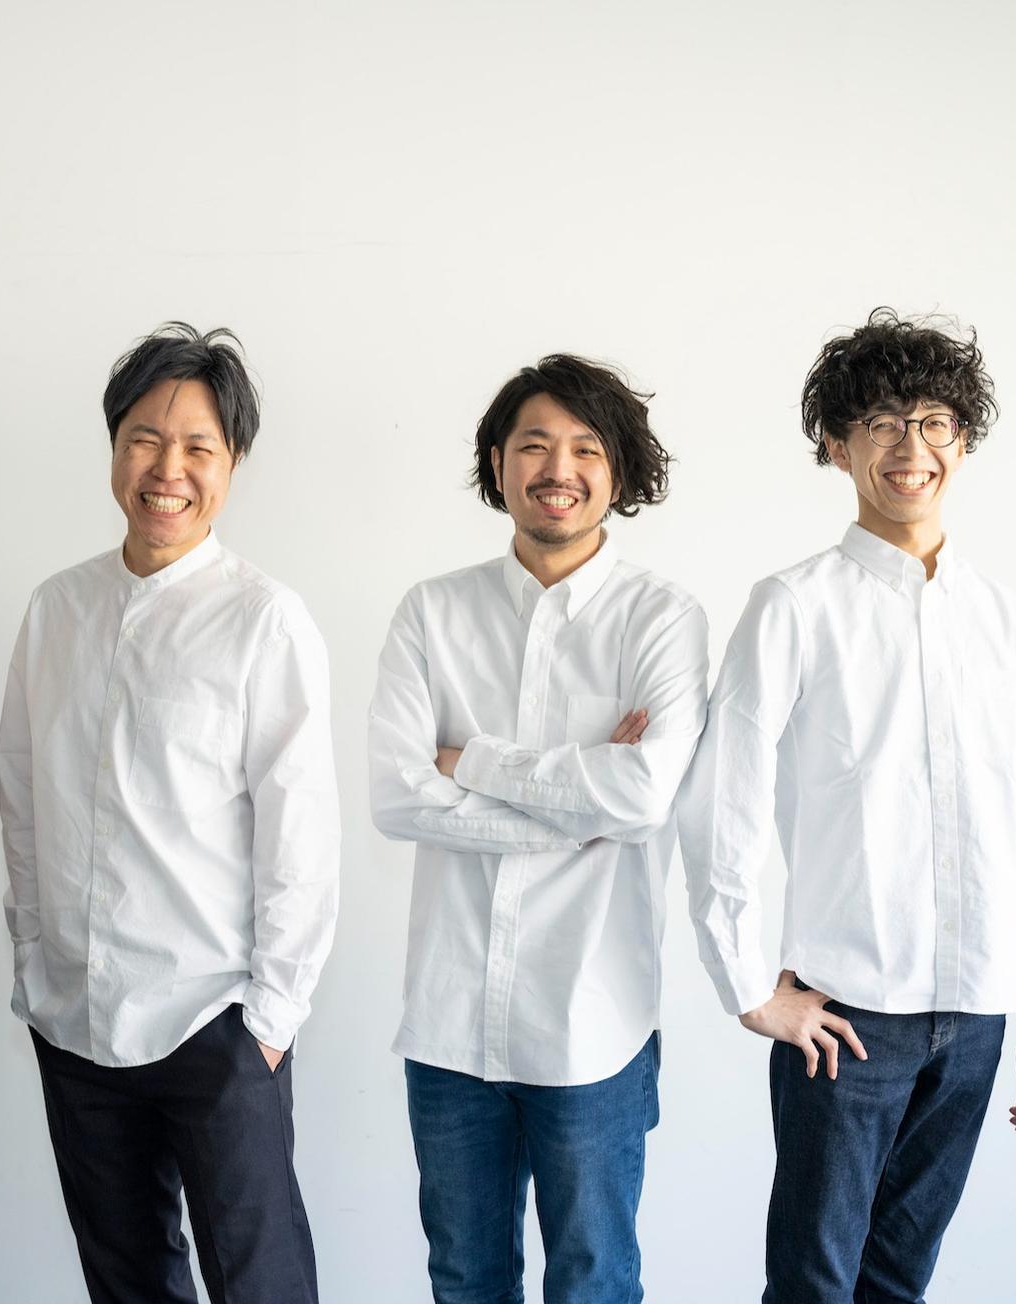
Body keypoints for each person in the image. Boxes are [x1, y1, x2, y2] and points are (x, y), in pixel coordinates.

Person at [678, 309, 1016, 1302]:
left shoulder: (1009, 625)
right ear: (836, 444)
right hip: (847, 1016)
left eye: (934, 421)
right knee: (813, 1284)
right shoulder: (794, 606)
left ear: (963, 440)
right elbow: (722, 800)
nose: (911, 447)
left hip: (977, 1015)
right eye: (883, 422)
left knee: (898, 1281)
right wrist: (747, 985)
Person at [0, 323, 339, 1304]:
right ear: (114, 447)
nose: (167, 469)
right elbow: (22, 793)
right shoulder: (55, 609)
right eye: (144, 438)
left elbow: (300, 837)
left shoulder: (264, 619)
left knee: (261, 1284)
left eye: (199, 446)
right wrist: (36, 961)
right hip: (76, 1016)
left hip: (213, 1017)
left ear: (232, 462)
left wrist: (268, 1020)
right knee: (126, 1282)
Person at [367, 354, 709, 1303]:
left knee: (595, 1281)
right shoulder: (431, 613)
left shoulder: (663, 621)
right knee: (465, 1280)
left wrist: (471, 761)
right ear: (498, 462)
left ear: (618, 469)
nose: (559, 469)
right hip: (450, 1027)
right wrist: (581, 807)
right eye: (535, 445)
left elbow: (642, 799)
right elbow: (396, 797)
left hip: (593, 1023)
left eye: (587, 448)